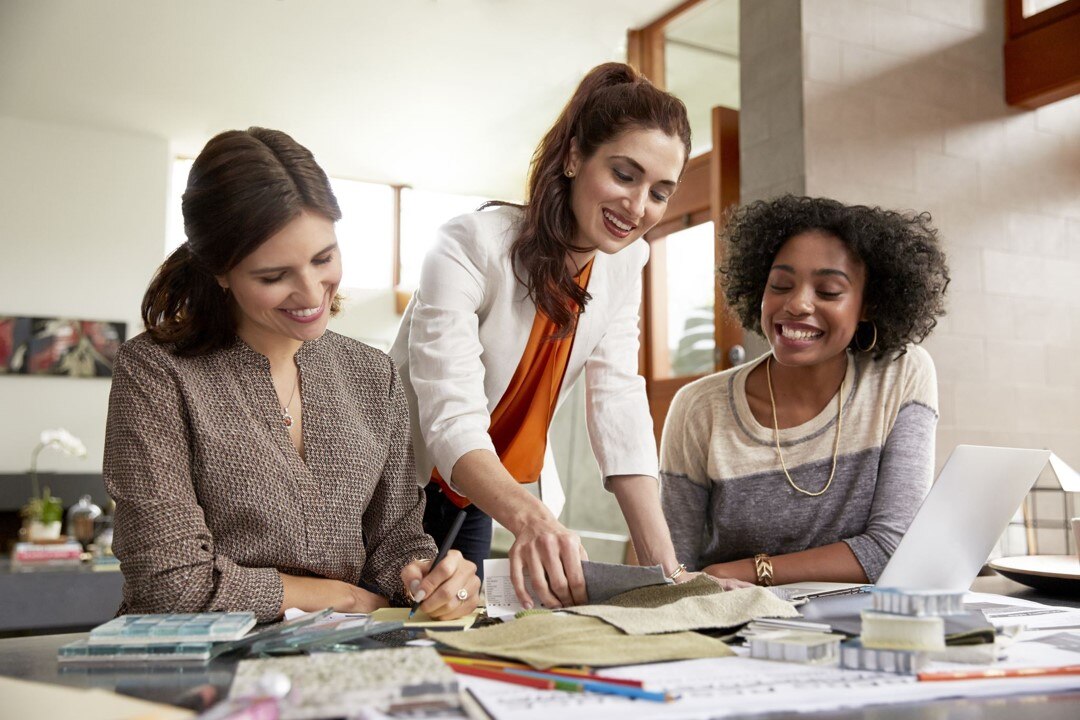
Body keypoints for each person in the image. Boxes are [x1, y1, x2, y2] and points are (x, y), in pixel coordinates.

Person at [104, 127, 479, 622]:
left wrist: (430, 581)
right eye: (273, 276)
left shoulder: (372, 375)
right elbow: (170, 584)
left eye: (323, 258)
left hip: (340, 663)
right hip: (193, 673)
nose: (309, 293)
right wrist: (340, 596)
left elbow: (396, 543)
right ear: (220, 271)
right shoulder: (155, 373)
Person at [391, 62, 729, 610]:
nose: (639, 208)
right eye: (624, 175)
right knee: (404, 624)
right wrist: (536, 521)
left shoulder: (625, 263)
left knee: (459, 625)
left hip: (485, 490)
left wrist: (670, 574)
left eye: (661, 192)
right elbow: (449, 416)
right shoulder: (469, 245)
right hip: (406, 480)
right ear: (574, 157)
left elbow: (617, 403)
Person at [661, 195, 950, 586]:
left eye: (828, 291)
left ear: (868, 304)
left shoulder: (899, 375)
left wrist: (745, 570)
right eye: (780, 284)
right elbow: (675, 568)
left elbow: (894, 548)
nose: (796, 304)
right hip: (734, 624)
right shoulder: (699, 407)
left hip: (861, 628)